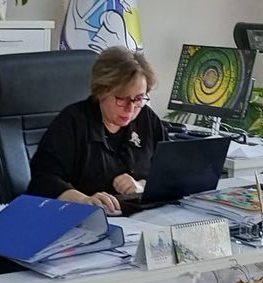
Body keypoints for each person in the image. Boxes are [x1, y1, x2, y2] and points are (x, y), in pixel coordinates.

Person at [28, 47, 168, 213]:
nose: (130, 109)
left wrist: (141, 186)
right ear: (102, 92)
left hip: (141, 218)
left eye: (138, 99)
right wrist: (84, 201)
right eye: (122, 99)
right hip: (84, 219)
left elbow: (169, 173)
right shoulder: (73, 122)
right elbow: (43, 180)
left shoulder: (147, 119)